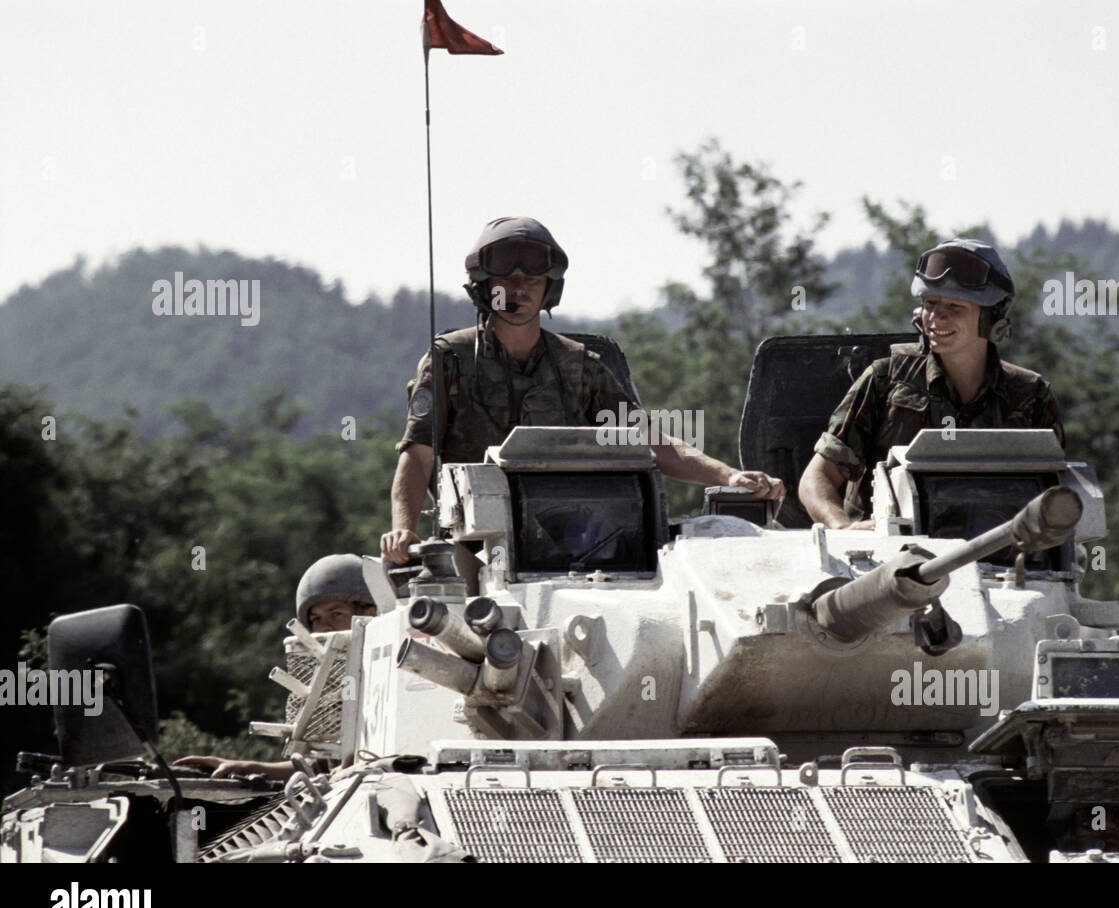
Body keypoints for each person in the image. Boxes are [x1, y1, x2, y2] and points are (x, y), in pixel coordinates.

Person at [381, 216, 785, 564]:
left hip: (572, 541)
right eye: (505, 279)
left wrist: (730, 476)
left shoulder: (580, 366)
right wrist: (403, 530)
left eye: (532, 280)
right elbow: (418, 456)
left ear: (548, 289)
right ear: (484, 287)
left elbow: (649, 443)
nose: (518, 290)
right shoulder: (450, 359)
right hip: (473, 545)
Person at [799, 238, 1064, 529]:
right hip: (890, 566)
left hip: (1001, 566)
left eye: (955, 306)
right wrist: (842, 528)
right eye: (930, 304)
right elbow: (816, 478)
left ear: (991, 319)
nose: (937, 317)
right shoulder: (886, 381)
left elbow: (1056, 494)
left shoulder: (1030, 394)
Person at [173, 555, 376, 781]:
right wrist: (246, 767)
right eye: (316, 619)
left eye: (336, 614)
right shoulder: (336, 686)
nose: (323, 628)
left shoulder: (395, 676)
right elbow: (318, 768)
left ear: (372, 613)